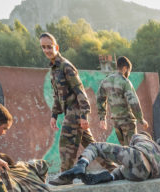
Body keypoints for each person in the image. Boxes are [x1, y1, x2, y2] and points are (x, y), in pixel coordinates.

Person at [40, 32, 111, 172]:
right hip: (69, 111)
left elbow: (80, 91)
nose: (47, 50)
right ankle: (113, 168)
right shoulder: (54, 69)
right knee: (91, 145)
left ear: (56, 47)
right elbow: (57, 95)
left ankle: (66, 175)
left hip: (76, 111)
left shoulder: (66, 66)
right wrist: (54, 115)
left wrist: (84, 115)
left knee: (66, 144)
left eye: (49, 47)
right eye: (43, 47)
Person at [52, 131, 160, 185]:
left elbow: (130, 148)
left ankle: (81, 165)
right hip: (142, 175)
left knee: (96, 146)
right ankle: (110, 176)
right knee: (121, 171)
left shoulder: (141, 137)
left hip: (136, 157)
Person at [97, 56, 148, 145]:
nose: (128, 73)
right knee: (132, 149)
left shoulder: (106, 81)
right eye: (129, 70)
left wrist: (102, 118)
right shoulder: (125, 82)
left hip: (116, 122)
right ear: (125, 68)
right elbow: (133, 103)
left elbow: (100, 99)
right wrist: (141, 119)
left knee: (124, 149)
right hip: (127, 121)